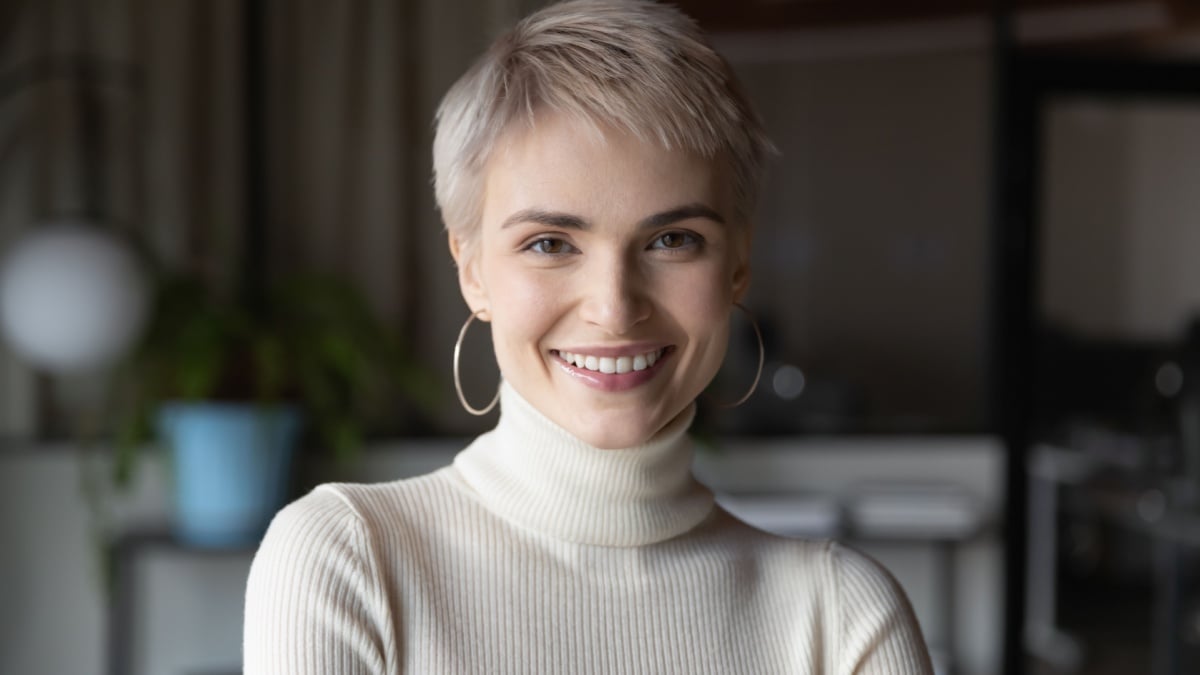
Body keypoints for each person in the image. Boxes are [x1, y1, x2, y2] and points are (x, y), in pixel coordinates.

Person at [244, 1, 934, 673]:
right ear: (472, 269)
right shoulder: (351, 561)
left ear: (737, 264)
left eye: (672, 240)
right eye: (550, 243)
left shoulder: (840, 615)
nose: (614, 308)